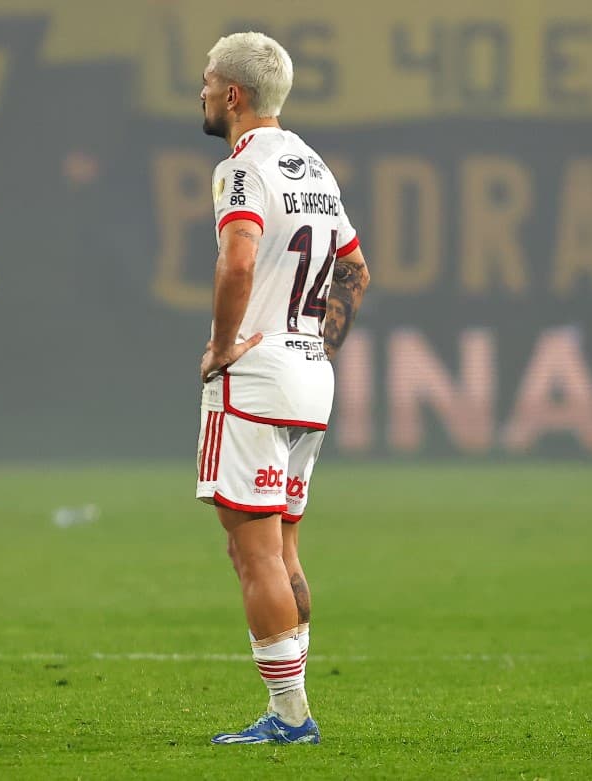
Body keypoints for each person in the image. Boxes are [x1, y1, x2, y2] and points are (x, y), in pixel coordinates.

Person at [195, 32, 371, 745]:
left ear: (233, 94)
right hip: (309, 378)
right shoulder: (315, 166)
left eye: (207, 82)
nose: (202, 93)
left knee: (253, 552)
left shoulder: (241, 171)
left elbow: (237, 264)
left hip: (257, 381)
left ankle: (292, 716)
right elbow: (357, 271)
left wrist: (222, 346)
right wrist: (312, 351)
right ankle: (292, 709)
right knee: (284, 549)